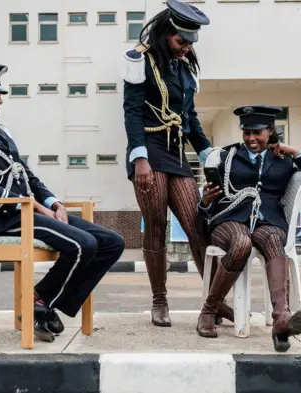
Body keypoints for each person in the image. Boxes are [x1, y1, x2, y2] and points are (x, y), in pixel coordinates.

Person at [0, 64, 126, 343]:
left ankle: (40, 302)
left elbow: (25, 174)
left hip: (28, 212)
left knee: (112, 242)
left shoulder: (0, 132)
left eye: (1, 94)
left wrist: (54, 202)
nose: (0, 99)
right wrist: (34, 206)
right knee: (83, 244)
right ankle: (40, 305)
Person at [121, 0, 234, 328]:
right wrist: (138, 157)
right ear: (165, 33)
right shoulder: (139, 60)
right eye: (181, 41)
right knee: (156, 226)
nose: (186, 48)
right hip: (149, 149)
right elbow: (131, 112)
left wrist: (209, 155)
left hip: (176, 153)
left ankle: (215, 301)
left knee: (197, 226)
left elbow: (191, 120)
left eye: (190, 42)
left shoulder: (184, 69)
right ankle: (159, 301)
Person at [196, 105, 301, 352]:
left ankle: (281, 320)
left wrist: (298, 154)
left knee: (275, 239)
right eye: (246, 132)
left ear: (271, 130)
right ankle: (209, 310)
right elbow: (204, 208)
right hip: (229, 221)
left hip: (268, 223)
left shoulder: (285, 159)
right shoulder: (227, 157)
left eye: (257, 132)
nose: (251, 138)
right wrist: (205, 201)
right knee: (242, 242)